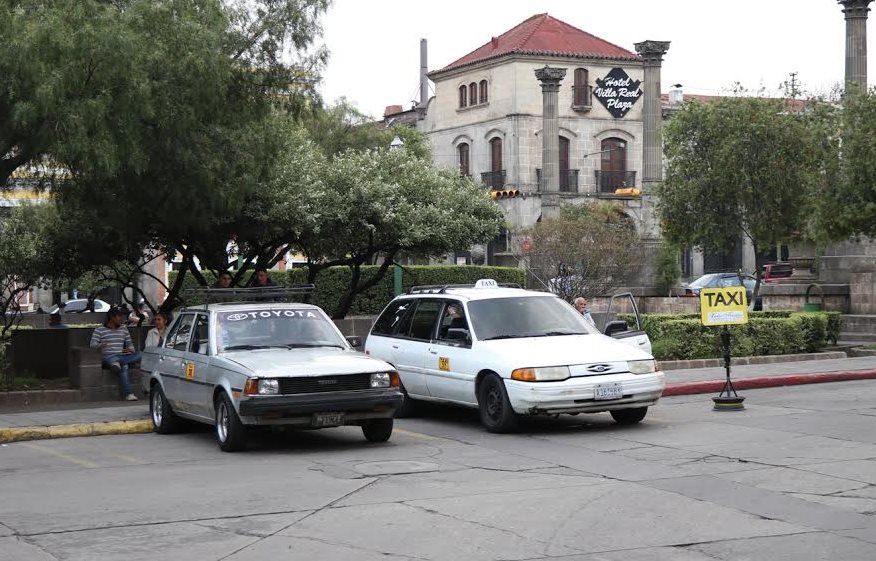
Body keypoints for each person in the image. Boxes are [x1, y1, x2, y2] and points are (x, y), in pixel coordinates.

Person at [90, 306, 141, 401]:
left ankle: (116, 363)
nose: (122, 318)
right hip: (107, 357)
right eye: (119, 316)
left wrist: (130, 350)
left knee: (139, 355)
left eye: (122, 316)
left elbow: (130, 344)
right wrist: (101, 344)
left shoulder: (124, 328)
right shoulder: (99, 330)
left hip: (121, 356)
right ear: (111, 317)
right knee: (122, 365)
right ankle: (129, 394)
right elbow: (92, 345)